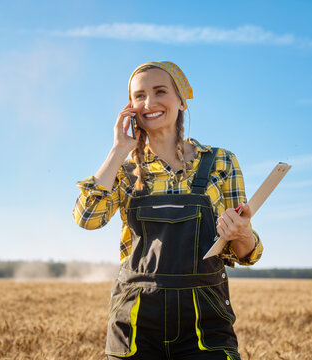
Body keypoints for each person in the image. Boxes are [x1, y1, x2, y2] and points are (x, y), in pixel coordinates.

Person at [73, 61, 263, 360]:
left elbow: (244, 253)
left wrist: (242, 232)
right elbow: (87, 219)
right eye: (139, 96)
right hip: (136, 315)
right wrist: (118, 150)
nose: (149, 103)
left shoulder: (221, 162)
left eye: (160, 91)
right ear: (130, 107)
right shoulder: (122, 171)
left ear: (181, 100)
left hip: (204, 314)